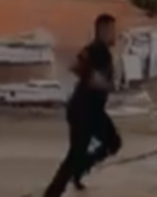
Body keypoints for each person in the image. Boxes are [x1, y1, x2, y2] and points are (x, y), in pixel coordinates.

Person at [43, 13, 122, 197]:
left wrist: (100, 81)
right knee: (76, 154)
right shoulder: (97, 49)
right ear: (102, 31)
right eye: (111, 30)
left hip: (94, 111)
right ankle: (52, 192)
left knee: (113, 143)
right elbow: (74, 65)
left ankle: (79, 170)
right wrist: (97, 81)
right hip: (83, 110)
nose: (114, 34)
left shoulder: (103, 51)